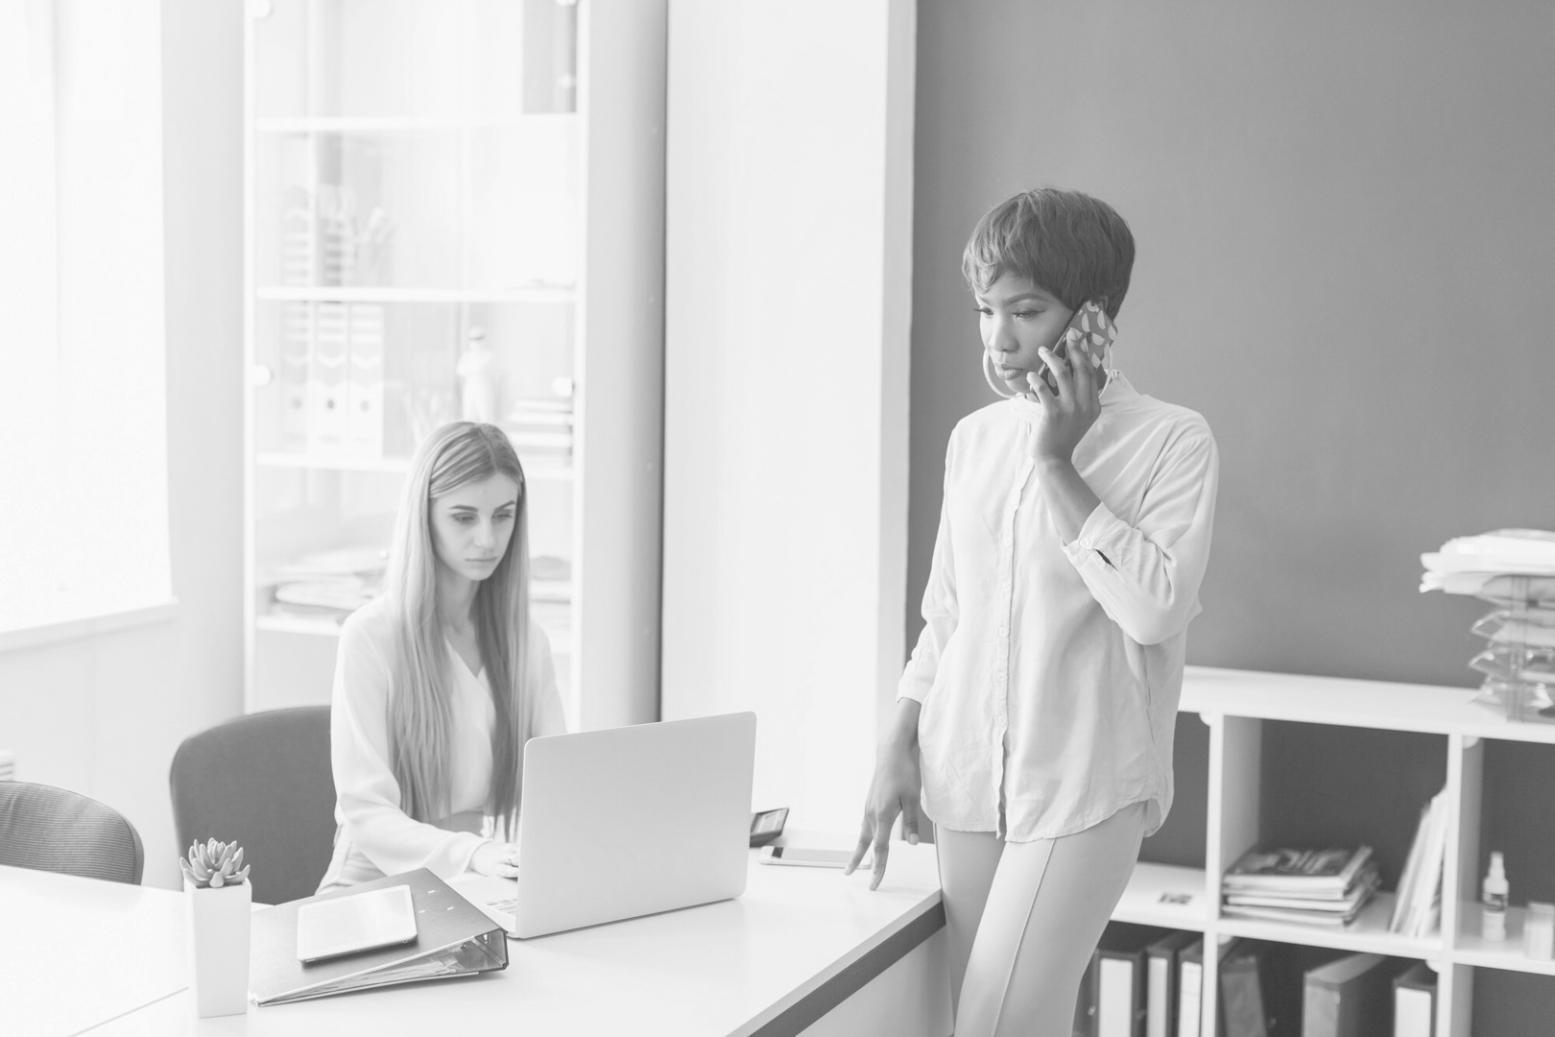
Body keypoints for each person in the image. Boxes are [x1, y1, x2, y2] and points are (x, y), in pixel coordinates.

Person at [846, 188, 1220, 1036]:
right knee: (1000, 1022)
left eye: (1025, 310)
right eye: (986, 309)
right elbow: (947, 612)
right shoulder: (973, 439)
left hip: (1088, 781)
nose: (998, 337)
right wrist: (896, 736)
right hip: (964, 779)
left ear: (1092, 318)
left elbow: (1155, 609)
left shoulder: (1172, 440)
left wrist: (1056, 460)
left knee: (997, 1021)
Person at [317, 421, 567, 892]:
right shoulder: (371, 637)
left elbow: (559, 786)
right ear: (424, 516)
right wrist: (474, 853)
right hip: (371, 889)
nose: (488, 540)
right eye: (464, 517)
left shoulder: (526, 642)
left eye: (503, 515)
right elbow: (366, 813)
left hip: (475, 885)